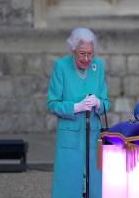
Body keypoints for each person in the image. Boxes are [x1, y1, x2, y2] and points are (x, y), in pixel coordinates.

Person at [47, 28, 110, 198]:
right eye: (82, 54)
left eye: (90, 54)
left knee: (95, 184)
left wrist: (98, 103)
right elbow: (52, 104)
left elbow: (106, 104)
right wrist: (76, 107)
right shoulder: (61, 66)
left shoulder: (98, 66)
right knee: (68, 183)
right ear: (73, 50)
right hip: (70, 136)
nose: (87, 59)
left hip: (93, 135)